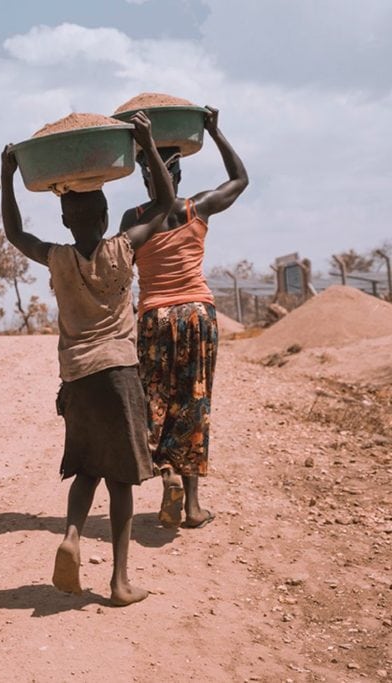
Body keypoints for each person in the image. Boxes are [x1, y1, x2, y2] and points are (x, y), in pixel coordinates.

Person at [0, 112, 173, 606]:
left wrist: (11, 177)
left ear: (64, 220)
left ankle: (72, 535)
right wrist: (145, 143)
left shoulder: (56, 257)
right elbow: (162, 203)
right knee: (121, 480)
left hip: (77, 377)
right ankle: (119, 582)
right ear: (103, 216)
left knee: (85, 468)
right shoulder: (124, 247)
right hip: (119, 372)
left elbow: (14, 233)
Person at [119, 106, 249, 530]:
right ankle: (192, 507)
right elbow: (240, 179)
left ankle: (167, 475)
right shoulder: (198, 208)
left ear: (145, 175)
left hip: (156, 316)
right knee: (194, 403)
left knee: (155, 403)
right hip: (198, 314)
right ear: (178, 175)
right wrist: (215, 129)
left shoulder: (133, 220)